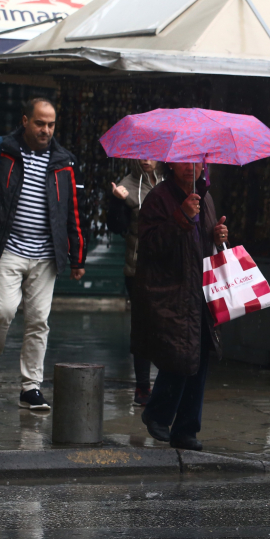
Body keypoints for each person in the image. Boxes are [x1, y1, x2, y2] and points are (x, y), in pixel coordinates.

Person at [130, 161, 227, 451]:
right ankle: (157, 412)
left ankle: (186, 430)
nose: (191, 167)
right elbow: (149, 245)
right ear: (170, 163)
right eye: (184, 160)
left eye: (197, 161)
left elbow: (205, 243)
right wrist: (181, 217)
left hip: (199, 291)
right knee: (180, 356)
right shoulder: (158, 197)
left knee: (199, 357)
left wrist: (218, 236)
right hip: (169, 291)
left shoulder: (205, 197)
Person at [0, 98, 88, 411]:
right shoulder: (5, 152)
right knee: (3, 311)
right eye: (40, 123)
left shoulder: (64, 162)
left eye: (51, 124)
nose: (46, 130)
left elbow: (73, 212)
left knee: (38, 321)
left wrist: (77, 257)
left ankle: (29, 388)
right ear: (25, 120)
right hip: (8, 249)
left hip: (45, 255)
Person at [108, 159, 163, 407]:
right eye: (141, 153)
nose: (146, 159)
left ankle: (165, 385)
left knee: (166, 326)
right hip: (138, 268)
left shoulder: (171, 181)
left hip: (169, 267)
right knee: (143, 326)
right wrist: (117, 201)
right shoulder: (127, 184)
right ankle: (142, 387)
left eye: (151, 153)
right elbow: (117, 227)